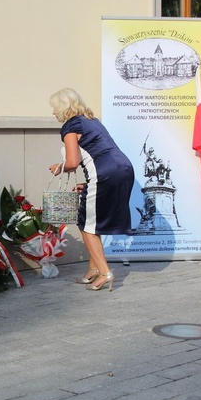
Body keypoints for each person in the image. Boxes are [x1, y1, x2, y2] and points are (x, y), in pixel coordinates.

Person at [48, 88, 134, 292]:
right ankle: (92, 268)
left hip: (104, 173)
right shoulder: (92, 121)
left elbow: (72, 162)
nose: (53, 113)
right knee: (94, 222)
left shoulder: (71, 126)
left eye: (54, 108)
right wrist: (90, 184)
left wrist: (58, 168)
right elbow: (101, 151)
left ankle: (105, 272)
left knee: (86, 224)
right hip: (124, 169)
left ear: (63, 107)